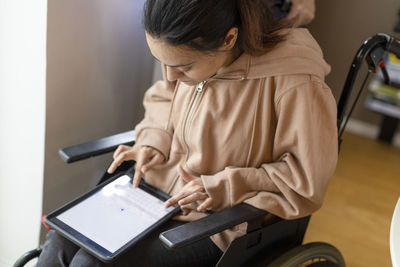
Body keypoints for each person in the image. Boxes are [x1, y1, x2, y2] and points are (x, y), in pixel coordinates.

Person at [37, 0, 337, 266]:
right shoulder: (188, 58)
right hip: (154, 194)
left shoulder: (296, 83)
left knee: (90, 263)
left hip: (216, 221)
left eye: (182, 67)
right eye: (162, 63)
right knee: (60, 245)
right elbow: (164, 99)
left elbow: (303, 182)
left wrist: (224, 186)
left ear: (229, 38)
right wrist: (154, 141)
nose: (170, 77)